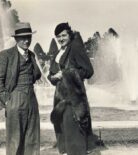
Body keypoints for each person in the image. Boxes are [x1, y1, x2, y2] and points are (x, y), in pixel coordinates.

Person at [0, 22, 41, 155]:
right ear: (16, 39)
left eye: (29, 37)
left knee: (33, 138)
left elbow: (36, 75)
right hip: (14, 98)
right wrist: (7, 100)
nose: (26, 40)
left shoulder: (31, 55)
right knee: (14, 140)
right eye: (23, 37)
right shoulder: (5, 55)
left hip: (31, 98)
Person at [47, 22, 94, 155]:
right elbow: (51, 76)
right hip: (59, 100)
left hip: (74, 100)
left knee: (75, 138)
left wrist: (67, 74)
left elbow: (89, 71)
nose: (61, 39)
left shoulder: (75, 47)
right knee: (62, 134)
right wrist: (53, 77)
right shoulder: (58, 52)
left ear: (69, 34)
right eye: (58, 37)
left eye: (63, 35)